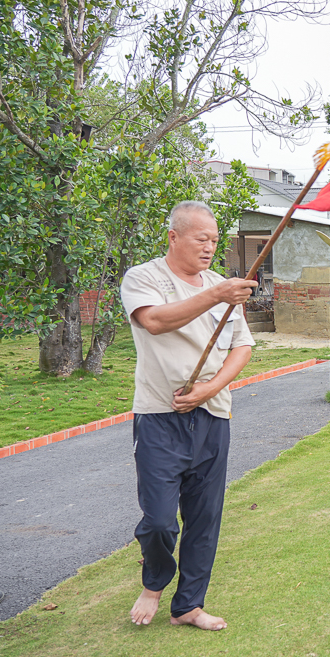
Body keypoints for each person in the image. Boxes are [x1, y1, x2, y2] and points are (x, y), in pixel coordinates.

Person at [120, 201, 258, 630]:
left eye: (215, 241)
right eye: (202, 239)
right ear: (174, 237)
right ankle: (154, 583)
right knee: (160, 519)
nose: (210, 248)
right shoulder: (145, 277)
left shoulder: (222, 285)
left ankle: (189, 606)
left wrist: (211, 389)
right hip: (159, 416)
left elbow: (242, 345)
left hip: (213, 415)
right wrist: (215, 294)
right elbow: (154, 322)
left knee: (204, 517)